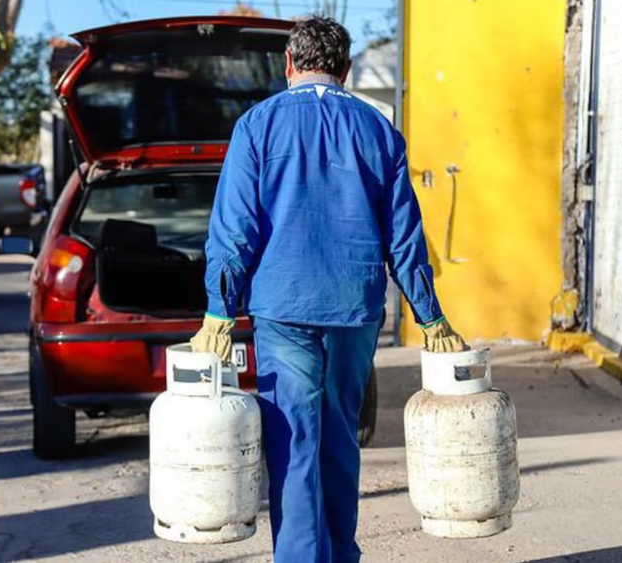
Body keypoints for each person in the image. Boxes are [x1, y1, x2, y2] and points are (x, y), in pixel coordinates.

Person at [190, 16, 468, 562]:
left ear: (288, 64)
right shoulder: (380, 131)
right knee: (340, 437)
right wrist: (432, 318)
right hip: (353, 309)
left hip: (283, 307)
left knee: (293, 441)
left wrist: (220, 312)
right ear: (346, 69)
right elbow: (405, 237)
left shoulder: (256, 126)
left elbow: (234, 228)